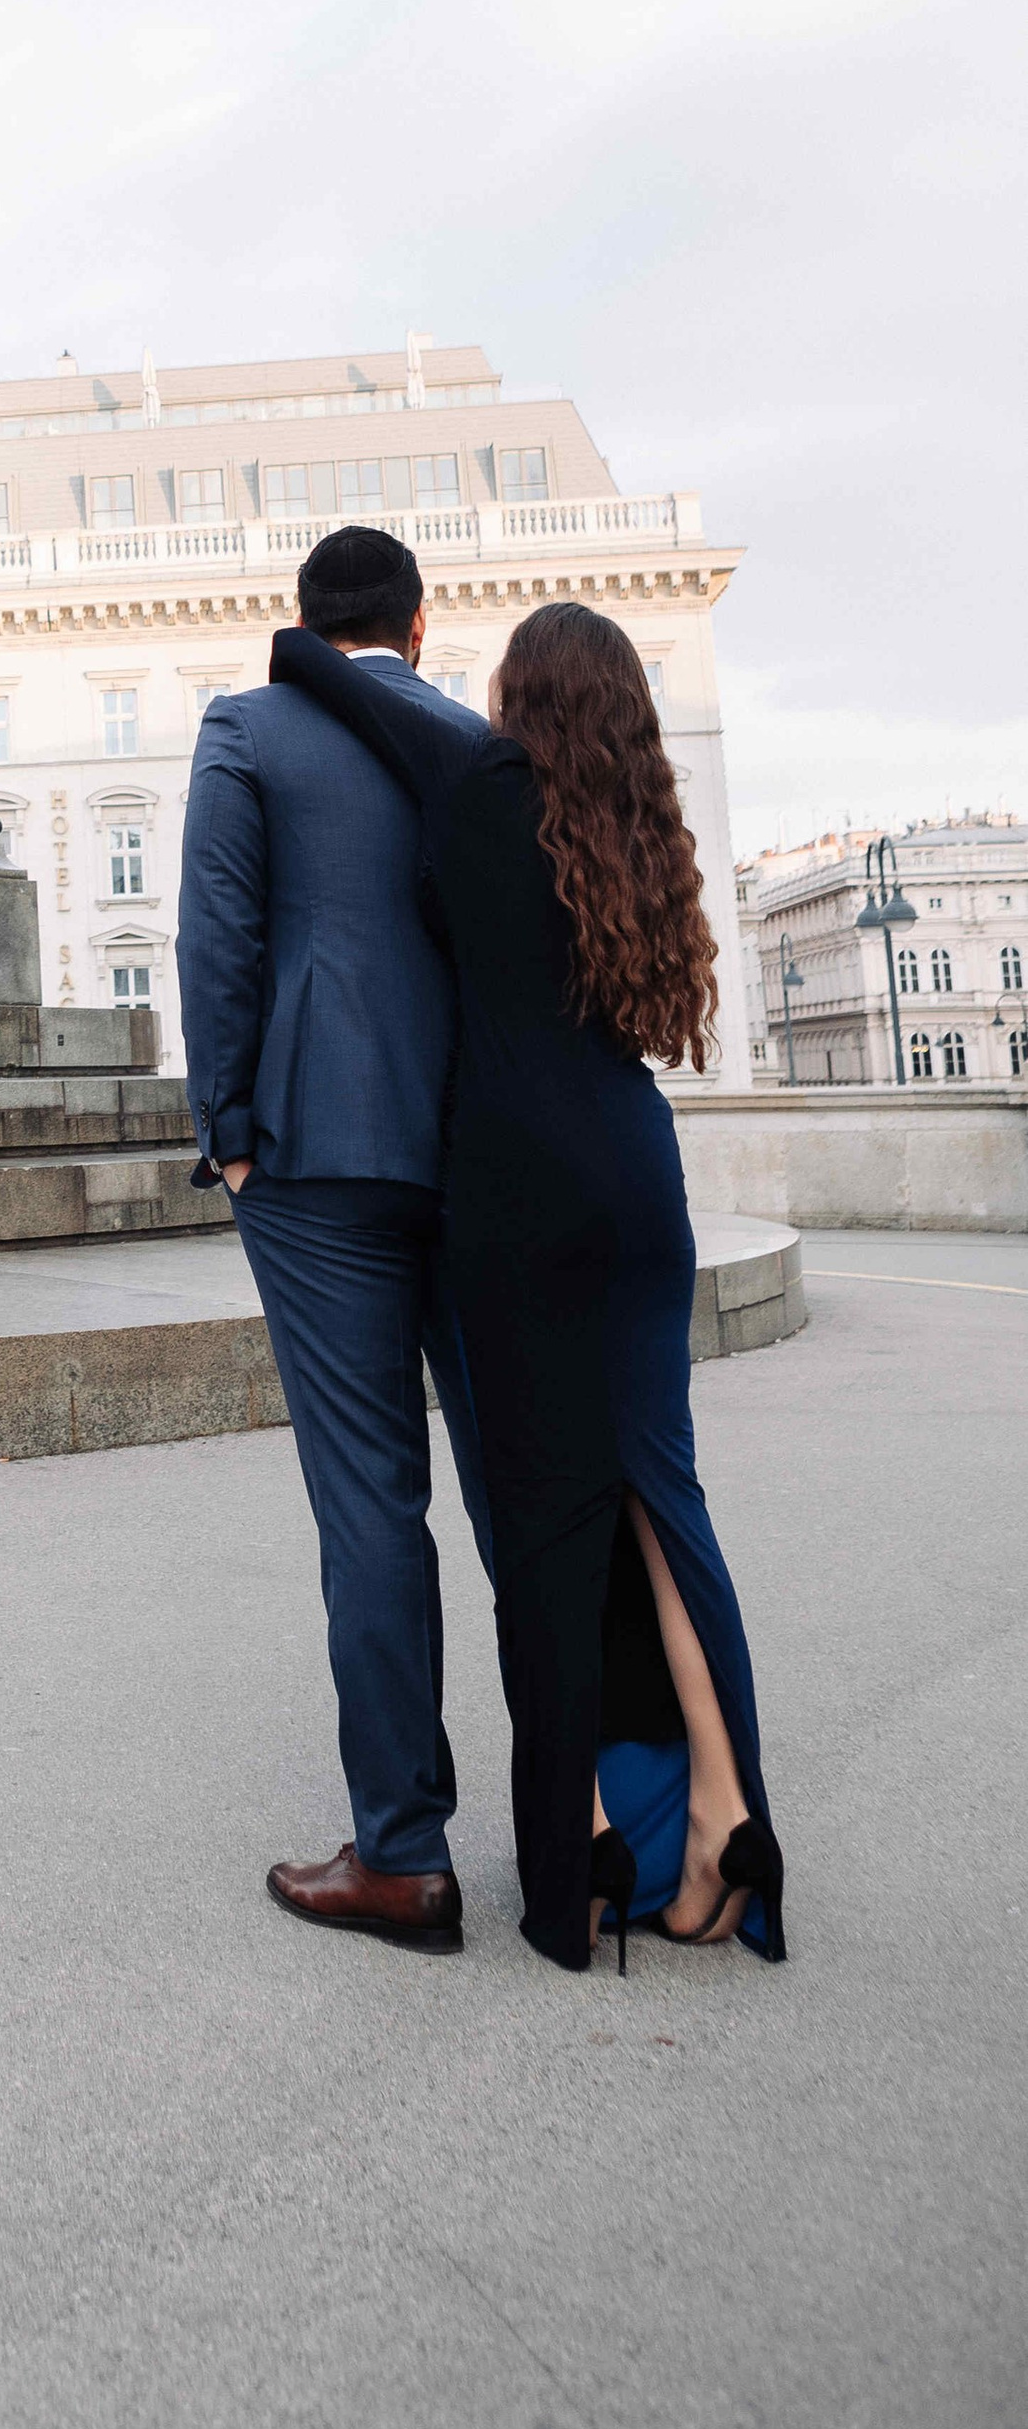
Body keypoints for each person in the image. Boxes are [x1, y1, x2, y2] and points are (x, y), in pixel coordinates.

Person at [268, 600, 784, 1970]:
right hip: (636, 1176)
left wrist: (395, 662)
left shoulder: (485, 782)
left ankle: (586, 1870)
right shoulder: (636, 821)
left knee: (550, 1539)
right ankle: (727, 1813)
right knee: (663, 1504)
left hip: (515, 1192)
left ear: (513, 696)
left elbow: (314, 662)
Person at [177, 526, 496, 1953]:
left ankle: (405, 1855)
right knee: (519, 1495)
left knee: (371, 1500)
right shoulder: (473, 738)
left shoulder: (248, 728)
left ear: (300, 619)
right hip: (478, 1154)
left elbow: (220, 934)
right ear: (419, 627)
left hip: (314, 1154)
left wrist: (229, 1128)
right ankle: (601, 1829)